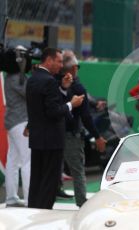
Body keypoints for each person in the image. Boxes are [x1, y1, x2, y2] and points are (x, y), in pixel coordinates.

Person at [26, 48, 84, 209]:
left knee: (36, 179)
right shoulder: (49, 81)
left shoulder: (33, 78)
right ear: (49, 60)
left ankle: (33, 210)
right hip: (52, 139)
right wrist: (71, 104)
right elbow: (53, 111)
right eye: (59, 61)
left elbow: (43, 107)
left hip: (38, 138)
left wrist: (63, 89)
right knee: (49, 181)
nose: (61, 65)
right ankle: (43, 214)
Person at [58, 51, 107, 207]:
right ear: (73, 68)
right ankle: (81, 202)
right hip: (71, 133)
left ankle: (49, 195)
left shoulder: (53, 83)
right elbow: (86, 117)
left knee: (51, 168)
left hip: (53, 133)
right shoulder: (77, 87)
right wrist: (97, 136)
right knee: (78, 170)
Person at [3, 46, 31, 207]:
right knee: (27, 160)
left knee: (13, 161)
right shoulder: (17, 78)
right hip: (21, 123)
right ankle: (29, 198)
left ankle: (11, 197)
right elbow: (31, 93)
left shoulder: (11, 77)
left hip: (13, 122)